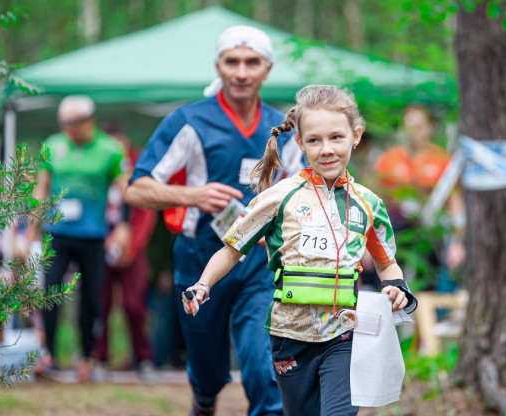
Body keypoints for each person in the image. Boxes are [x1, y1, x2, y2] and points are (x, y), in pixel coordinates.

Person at [181, 85, 417, 416]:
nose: (326, 150)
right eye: (314, 140)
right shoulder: (279, 197)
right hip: (289, 336)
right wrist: (203, 284)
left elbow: (386, 263)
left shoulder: (369, 204)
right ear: (300, 143)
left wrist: (397, 288)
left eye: (337, 137)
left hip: (344, 332)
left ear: (356, 136)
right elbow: (232, 249)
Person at [125, 25, 302, 416]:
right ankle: (204, 401)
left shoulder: (285, 129)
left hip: (260, 264)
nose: (241, 72)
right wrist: (192, 195)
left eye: (251, 62)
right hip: (198, 257)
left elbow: (307, 194)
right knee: (206, 366)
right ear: (218, 66)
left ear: (267, 69)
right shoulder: (188, 121)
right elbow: (136, 189)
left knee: (262, 362)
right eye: (232, 61)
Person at [29, 95, 131, 382]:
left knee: (91, 297)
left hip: (93, 235)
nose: (67, 129)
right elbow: (42, 188)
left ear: (89, 120)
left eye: (73, 123)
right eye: (63, 123)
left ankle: (86, 357)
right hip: (57, 232)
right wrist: (31, 229)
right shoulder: (53, 144)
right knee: (50, 291)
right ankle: (47, 354)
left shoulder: (111, 149)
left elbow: (125, 191)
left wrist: (123, 226)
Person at [91, 122, 158, 381]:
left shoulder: (138, 166)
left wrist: (133, 244)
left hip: (132, 248)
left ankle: (143, 358)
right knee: (101, 303)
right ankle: (98, 356)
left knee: (134, 304)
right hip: (101, 245)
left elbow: (146, 211)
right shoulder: (99, 166)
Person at [374, 104, 465, 290]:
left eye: (418, 126)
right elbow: (375, 199)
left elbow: (454, 202)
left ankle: (422, 314)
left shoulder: (441, 160)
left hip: (430, 230)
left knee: (427, 280)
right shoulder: (389, 159)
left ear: (429, 128)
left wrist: (457, 242)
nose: (412, 132)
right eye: (409, 126)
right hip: (395, 229)